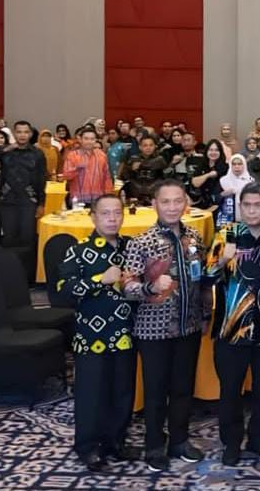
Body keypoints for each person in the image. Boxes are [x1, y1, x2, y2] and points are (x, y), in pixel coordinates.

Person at [121, 180, 209, 471]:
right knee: (156, 391)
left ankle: (180, 440)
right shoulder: (141, 242)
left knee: (183, 388)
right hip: (153, 330)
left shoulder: (194, 237)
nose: (172, 207)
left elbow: (202, 281)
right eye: (165, 201)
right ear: (154, 205)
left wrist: (205, 315)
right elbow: (127, 287)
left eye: (177, 201)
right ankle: (154, 445)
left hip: (188, 326)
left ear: (186, 204)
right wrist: (150, 286)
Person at [56, 194, 137, 471]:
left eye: (117, 213)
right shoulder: (79, 250)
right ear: (93, 217)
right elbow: (63, 289)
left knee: (122, 391)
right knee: (91, 394)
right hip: (91, 336)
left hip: (125, 332)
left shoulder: (131, 247)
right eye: (105, 213)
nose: (112, 219)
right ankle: (88, 447)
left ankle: (116, 442)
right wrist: (98, 280)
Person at [207, 183, 260, 465]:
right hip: (232, 327)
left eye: (258, 205)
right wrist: (221, 261)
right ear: (240, 207)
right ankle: (231, 442)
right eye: (247, 205)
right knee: (231, 390)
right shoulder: (226, 234)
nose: (252, 211)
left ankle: (258, 438)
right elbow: (205, 276)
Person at [0, 120, 47, 248]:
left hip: (29, 200)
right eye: (19, 132)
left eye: (25, 132)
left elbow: (41, 179)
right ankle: (9, 261)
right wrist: (4, 150)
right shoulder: (6, 150)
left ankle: (26, 261)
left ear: (30, 134)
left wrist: (41, 204)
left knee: (27, 237)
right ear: (14, 133)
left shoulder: (38, 153)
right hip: (7, 200)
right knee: (9, 237)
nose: (22, 135)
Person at [62, 127, 113, 206]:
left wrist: (108, 196)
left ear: (95, 140)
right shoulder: (72, 155)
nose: (89, 141)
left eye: (92, 139)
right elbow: (66, 176)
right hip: (78, 200)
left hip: (98, 199)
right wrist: (76, 169)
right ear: (80, 140)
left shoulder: (102, 155)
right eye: (86, 139)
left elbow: (107, 178)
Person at [121, 134, 168, 206]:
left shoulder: (160, 159)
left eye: (151, 145)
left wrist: (141, 165)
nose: (148, 148)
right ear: (140, 147)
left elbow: (166, 176)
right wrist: (131, 169)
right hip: (136, 194)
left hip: (154, 195)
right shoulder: (133, 158)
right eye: (145, 145)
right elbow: (124, 176)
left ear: (155, 146)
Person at [218, 153, 255, 227]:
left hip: (246, 219)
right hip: (226, 220)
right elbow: (214, 199)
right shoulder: (223, 181)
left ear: (244, 165)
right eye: (234, 164)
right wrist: (223, 194)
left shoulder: (251, 181)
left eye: (239, 164)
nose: (237, 166)